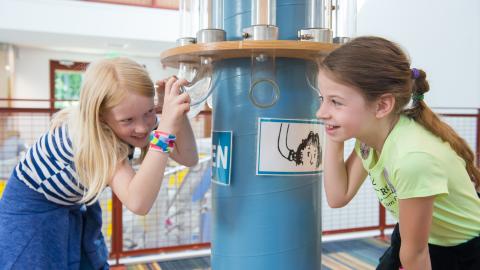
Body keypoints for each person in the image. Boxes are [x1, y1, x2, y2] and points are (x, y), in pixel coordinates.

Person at [0, 57, 198, 269]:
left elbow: (188, 158)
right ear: (101, 118)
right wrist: (166, 129)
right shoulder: (95, 139)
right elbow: (138, 202)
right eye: (128, 120)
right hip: (30, 216)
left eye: (150, 112)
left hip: (70, 206)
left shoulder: (134, 116)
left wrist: (176, 113)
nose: (142, 127)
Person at [316, 36, 480, 270]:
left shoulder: (412, 159)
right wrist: (334, 133)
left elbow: (415, 255)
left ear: (382, 106)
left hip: (460, 250)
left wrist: (335, 123)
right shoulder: (370, 139)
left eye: (336, 102)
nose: (320, 112)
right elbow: (338, 196)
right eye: (322, 99)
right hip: (416, 234)